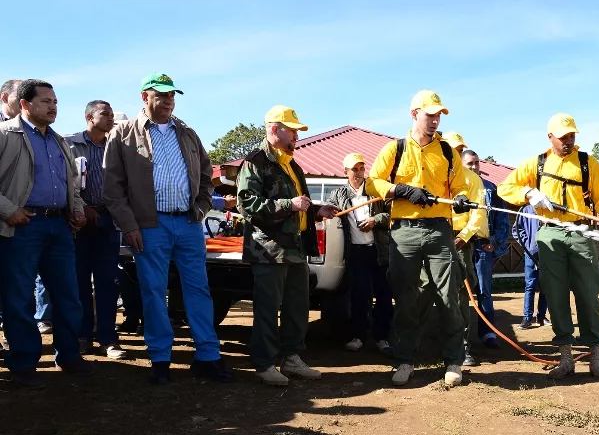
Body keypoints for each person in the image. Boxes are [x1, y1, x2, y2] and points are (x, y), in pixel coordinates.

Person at [103, 72, 233, 384]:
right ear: (144, 96)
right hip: (149, 226)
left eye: (172, 96)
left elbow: (205, 172)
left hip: (188, 223)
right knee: (153, 291)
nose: (168, 101)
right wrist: (130, 225)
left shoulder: (186, 132)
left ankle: (207, 356)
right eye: (161, 95)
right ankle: (160, 358)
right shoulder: (123, 134)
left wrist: (201, 206)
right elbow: (113, 189)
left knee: (199, 289)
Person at [497, 113, 599, 379]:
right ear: (550, 138)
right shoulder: (537, 164)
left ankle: (596, 357)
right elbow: (505, 188)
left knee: (588, 295)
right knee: (555, 296)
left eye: (572, 136)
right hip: (549, 235)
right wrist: (528, 194)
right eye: (563, 137)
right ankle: (566, 359)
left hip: (580, 233)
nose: (568, 141)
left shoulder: (587, 163)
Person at [367, 90, 471, 387]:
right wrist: (401, 190)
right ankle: (405, 360)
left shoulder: (448, 151)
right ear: (415, 115)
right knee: (406, 298)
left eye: (439, 115)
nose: (435, 120)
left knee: (448, 293)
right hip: (404, 232)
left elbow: (461, 185)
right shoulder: (394, 149)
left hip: (440, 230)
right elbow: (374, 182)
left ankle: (453, 361)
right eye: (430, 115)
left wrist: (461, 198)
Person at [0, 79, 95, 388]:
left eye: (55, 101)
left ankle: (69, 356)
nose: (53, 106)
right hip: (23, 224)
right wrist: (8, 210)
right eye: (45, 101)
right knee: (19, 298)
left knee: (69, 295)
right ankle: (24, 363)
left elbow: (71, 183)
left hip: (59, 226)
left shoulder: (58, 141)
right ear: (25, 104)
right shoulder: (5, 135)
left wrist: (77, 208)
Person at [235, 105, 339, 386]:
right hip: (268, 250)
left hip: (295, 249)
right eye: (291, 130)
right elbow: (247, 205)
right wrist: (288, 205)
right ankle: (264, 364)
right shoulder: (255, 162)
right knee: (268, 309)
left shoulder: (291, 164)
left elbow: (298, 205)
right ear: (273, 129)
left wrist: (317, 210)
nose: (296, 135)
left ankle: (292, 359)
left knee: (297, 307)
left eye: (296, 131)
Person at [65, 100, 127, 359]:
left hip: (109, 221)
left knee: (107, 281)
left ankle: (108, 338)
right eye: (105, 114)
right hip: (78, 221)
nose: (111, 118)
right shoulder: (69, 143)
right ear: (89, 117)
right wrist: (81, 208)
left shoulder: (118, 147)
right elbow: (64, 180)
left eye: (112, 114)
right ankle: (82, 336)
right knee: (78, 281)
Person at [428, 133, 488, 367]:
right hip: (433, 239)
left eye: (459, 149)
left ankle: (462, 348)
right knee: (427, 293)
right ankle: (420, 347)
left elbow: (479, 212)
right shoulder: (433, 174)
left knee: (461, 296)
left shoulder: (472, 179)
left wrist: (463, 238)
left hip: (460, 243)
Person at [327, 153, 393, 355]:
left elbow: (393, 213)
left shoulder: (375, 189)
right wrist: (323, 210)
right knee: (359, 295)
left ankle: (382, 338)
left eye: (361, 168)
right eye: (354, 169)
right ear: (345, 172)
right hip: (355, 252)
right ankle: (358, 336)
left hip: (379, 251)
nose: (358, 173)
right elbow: (327, 210)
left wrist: (376, 220)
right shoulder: (338, 194)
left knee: (383, 294)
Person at [462, 149, 511, 346]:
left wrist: (495, 241)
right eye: (469, 164)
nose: (474, 167)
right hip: (462, 245)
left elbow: (503, 219)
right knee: (460, 293)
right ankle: (461, 338)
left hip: (483, 247)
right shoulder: (456, 187)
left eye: (476, 163)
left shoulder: (491, 189)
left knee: (484, 291)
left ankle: (488, 334)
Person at [0, 79, 21, 344]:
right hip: (7, 213)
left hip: (19, 222)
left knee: (14, 283)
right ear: (5, 97)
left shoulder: (34, 130)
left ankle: (11, 335)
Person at [513, 204, 548, 329]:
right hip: (531, 253)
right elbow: (516, 230)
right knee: (530, 285)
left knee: (546, 286)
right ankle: (527, 318)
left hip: (548, 253)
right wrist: (527, 245)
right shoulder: (525, 209)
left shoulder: (549, 207)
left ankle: (541, 316)